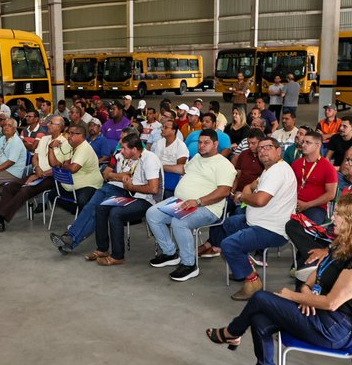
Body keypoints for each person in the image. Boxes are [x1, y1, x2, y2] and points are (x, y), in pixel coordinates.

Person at [206, 194, 352, 365]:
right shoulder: (345, 242)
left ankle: (232, 332)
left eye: (338, 214)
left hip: (335, 329)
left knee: (260, 298)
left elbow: (331, 302)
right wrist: (305, 292)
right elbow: (318, 272)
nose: (332, 218)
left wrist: (292, 295)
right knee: (259, 319)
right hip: (320, 311)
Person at [209, 137, 297, 300]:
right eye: (260, 148)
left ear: (278, 151)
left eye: (268, 147)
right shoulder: (269, 169)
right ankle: (245, 267)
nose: (262, 151)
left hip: (272, 229)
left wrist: (242, 197)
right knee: (229, 223)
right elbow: (251, 185)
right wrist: (247, 190)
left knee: (229, 244)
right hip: (258, 221)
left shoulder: (278, 171)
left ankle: (253, 281)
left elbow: (260, 200)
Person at [145, 129, 236, 282]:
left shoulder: (223, 164)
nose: (201, 146)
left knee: (179, 222)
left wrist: (198, 201)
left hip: (206, 207)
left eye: (206, 143)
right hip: (181, 202)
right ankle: (170, 253)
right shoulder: (197, 158)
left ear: (215, 144)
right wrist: (162, 165)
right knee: (152, 214)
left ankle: (189, 264)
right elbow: (182, 169)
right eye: (200, 142)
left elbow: (224, 191)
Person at [287, 149, 352, 280]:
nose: (347, 163)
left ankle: (317, 267)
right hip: (343, 237)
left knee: (307, 260)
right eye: (347, 159)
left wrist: (327, 250)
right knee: (293, 226)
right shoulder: (348, 189)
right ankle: (316, 263)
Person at [49, 128, 134, 253]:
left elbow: (129, 178)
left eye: (123, 140)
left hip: (128, 191)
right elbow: (106, 173)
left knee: (98, 211)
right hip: (111, 186)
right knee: (90, 207)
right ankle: (69, 239)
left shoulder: (141, 158)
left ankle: (70, 239)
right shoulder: (118, 154)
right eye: (120, 139)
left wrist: (114, 175)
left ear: (134, 144)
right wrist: (117, 176)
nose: (119, 142)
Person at [0, 116, 70, 232]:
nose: (48, 125)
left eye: (51, 123)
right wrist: (37, 168)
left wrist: (41, 174)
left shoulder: (65, 143)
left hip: (52, 177)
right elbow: (35, 157)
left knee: (25, 190)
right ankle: (0, 221)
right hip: (37, 172)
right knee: (9, 187)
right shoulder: (44, 139)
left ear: (60, 127)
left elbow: (61, 166)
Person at [90, 133, 161, 266]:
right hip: (133, 195)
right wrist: (126, 179)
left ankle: (117, 256)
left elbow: (153, 189)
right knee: (101, 207)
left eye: (124, 148)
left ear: (134, 149)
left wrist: (131, 185)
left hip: (148, 200)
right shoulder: (133, 158)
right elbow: (124, 175)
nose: (121, 151)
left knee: (115, 214)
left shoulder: (150, 159)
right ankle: (102, 249)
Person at [292, 131, 338, 226]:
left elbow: (331, 194)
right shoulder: (297, 163)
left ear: (318, 145)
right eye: (303, 142)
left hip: (316, 207)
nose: (303, 145)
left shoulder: (328, 167)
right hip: (294, 204)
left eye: (308, 143)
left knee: (305, 229)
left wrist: (306, 205)